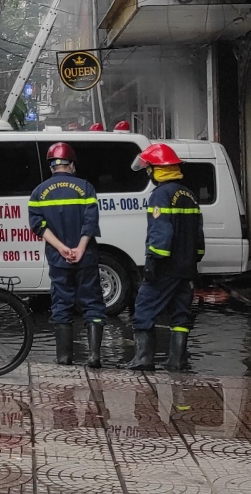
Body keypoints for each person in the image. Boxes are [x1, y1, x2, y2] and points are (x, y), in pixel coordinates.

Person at [124, 143, 205, 372]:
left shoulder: (160, 195)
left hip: (166, 266)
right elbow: (198, 233)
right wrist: (195, 258)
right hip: (187, 266)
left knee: (143, 309)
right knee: (180, 313)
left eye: (148, 169)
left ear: (155, 169)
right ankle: (177, 360)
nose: (147, 173)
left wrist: (153, 262)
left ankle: (143, 359)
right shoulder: (188, 194)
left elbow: (162, 232)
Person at [27, 142, 105, 367]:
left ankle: (64, 357)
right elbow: (90, 223)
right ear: (71, 164)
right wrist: (80, 248)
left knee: (61, 303)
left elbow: (38, 226)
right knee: (92, 303)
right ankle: (94, 357)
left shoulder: (38, 192)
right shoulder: (86, 188)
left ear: (52, 166)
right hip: (86, 255)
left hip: (58, 257)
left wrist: (61, 248)